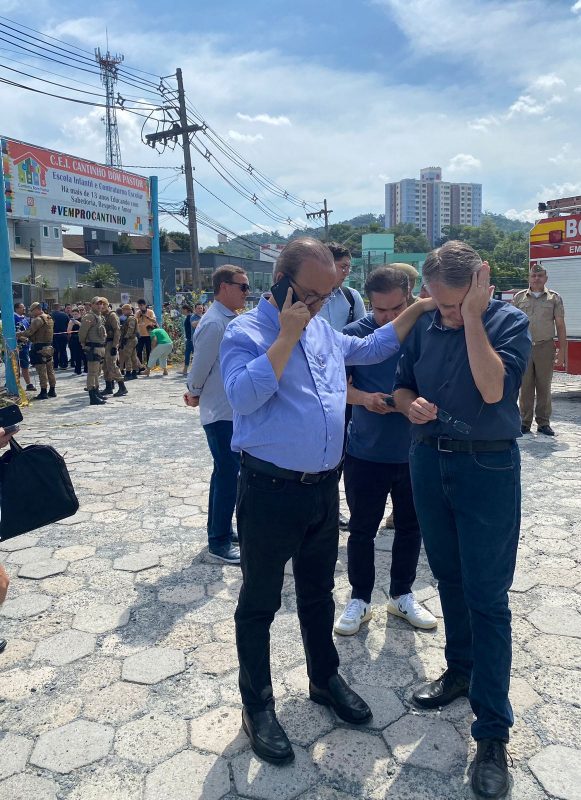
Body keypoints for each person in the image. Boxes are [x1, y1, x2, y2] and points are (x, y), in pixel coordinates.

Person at [220, 237, 435, 766]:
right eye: (311, 294)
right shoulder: (244, 331)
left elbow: (373, 348)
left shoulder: (321, 329)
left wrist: (423, 306)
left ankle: (324, 678)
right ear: (281, 281)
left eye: (327, 295)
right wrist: (286, 336)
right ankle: (258, 705)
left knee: (318, 594)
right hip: (268, 491)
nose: (319, 304)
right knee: (260, 603)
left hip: (322, 488)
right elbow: (243, 398)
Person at [393, 241, 531, 800]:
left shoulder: (506, 321)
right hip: (429, 459)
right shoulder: (427, 322)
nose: (443, 312)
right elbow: (402, 384)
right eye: (438, 302)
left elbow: (494, 387)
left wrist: (471, 317)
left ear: (480, 282)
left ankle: (492, 731)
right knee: (448, 578)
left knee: (488, 597)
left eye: (453, 303)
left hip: (488, 465)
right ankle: (461, 669)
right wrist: (409, 406)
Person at [334, 267, 437, 636]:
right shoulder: (353, 335)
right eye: (380, 311)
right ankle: (359, 598)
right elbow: (336, 389)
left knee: (411, 528)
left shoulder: (427, 330)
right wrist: (365, 398)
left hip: (416, 451)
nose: (388, 319)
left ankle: (401, 595)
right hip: (366, 451)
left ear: (409, 296)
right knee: (362, 529)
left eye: (396, 309)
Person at [184, 266, 249, 565]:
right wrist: (193, 392)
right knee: (227, 473)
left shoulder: (227, 318)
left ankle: (222, 529)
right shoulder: (214, 323)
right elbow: (201, 365)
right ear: (224, 287)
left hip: (228, 408)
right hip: (218, 409)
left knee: (226, 473)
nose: (246, 293)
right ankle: (218, 541)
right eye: (243, 287)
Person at [319, 242, 366, 529]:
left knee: (339, 445)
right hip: (311, 380)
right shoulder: (306, 294)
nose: (347, 272)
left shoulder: (351, 297)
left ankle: (331, 508)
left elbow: (363, 340)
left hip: (343, 381)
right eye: (342, 266)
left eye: (349, 266)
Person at [513, 265, 566, 436]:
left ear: (546, 278)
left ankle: (543, 423)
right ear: (529, 278)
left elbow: (560, 325)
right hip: (525, 347)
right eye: (533, 275)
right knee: (526, 387)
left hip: (545, 347)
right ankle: (524, 422)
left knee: (544, 386)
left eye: (540, 275)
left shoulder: (554, 298)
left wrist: (562, 353)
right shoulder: (519, 297)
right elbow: (512, 324)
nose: (536, 278)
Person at [16, 302, 56, 400]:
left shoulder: (38, 319)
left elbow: (29, 332)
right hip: (49, 347)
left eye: (32, 311)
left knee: (42, 371)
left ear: (37, 309)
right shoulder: (48, 318)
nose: (31, 313)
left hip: (39, 348)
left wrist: (17, 334)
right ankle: (52, 390)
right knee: (50, 370)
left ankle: (43, 392)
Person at [79, 297, 108, 406]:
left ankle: (96, 392)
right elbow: (82, 332)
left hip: (100, 347)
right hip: (93, 347)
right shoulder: (89, 317)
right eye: (97, 304)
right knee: (92, 373)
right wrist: (83, 343)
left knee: (97, 372)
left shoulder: (99, 316)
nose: (100, 306)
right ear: (92, 305)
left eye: (101, 304)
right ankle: (92, 396)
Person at [102, 304, 128, 397]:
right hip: (104, 343)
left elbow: (117, 331)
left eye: (102, 305)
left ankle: (122, 387)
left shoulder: (112, 315)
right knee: (105, 366)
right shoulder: (102, 316)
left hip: (111, 342)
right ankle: (108, 387)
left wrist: (114, 346)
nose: (101, 307)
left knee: (112, 365)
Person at [13, 303, 35, 391]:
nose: (24, 309)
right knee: (15, 365)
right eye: (23, 307)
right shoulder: (13, 318)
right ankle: (15, 383)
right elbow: (11, 332)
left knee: (25, 365)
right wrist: (21, 338)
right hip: (17, 346)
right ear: (17, 309)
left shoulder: (24, 319)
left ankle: (28, 384)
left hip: (25, 346)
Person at [119, 304, 139, 380]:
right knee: (133, 356)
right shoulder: (130, 318)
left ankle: (128, 373)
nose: (123, 311)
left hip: (130, 339)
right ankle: (134, 372)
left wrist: (125, 338)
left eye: (124, 310)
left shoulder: (131, 319)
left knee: (127, 356)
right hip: (132, 339)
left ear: (128, 310)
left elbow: (130, 329)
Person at [136, 299, 157, 367]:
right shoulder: (138, 312)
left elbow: (154, 321)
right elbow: (135, 321)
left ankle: (149, 367)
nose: (140, 307)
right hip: (140, 335)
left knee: (149, 351)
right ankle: (140, 367)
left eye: (142, 305)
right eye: (139, 305)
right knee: (139, 351)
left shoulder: (150, 312)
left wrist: (146, 317)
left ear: (145, 305)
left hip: (149, 335)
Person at [67, 307, 87, 375]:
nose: (74, 316)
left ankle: (86, 370)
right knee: (76, 355)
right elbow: (68, 331)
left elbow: (85, 328)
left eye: (76, 314)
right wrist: (71, 325)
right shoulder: (71, 321)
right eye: (73, 314)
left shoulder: (83, 320)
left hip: (82, 339)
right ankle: (77, 370)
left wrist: (78, 323)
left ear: (79, 314)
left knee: (84, 355)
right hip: (74, 339)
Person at [51, 303, 70, 370]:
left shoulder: (50, 315)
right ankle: (64, 364)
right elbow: (68, 324)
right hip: (63, 334)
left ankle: (55, 365)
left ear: (53, 308)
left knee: (55, 350)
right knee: (63, 350)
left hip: (54, 335)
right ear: (59, 307)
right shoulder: (65, 315)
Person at [181, 303, 194, 375]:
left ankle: (185, 369)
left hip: (190, 339)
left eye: (182, 310)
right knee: (191, 353)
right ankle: (186, 369)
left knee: (188, 353)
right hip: (190, 338)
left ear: (186, 309)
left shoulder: (190, 317)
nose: (182, 311)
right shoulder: (190, 317)